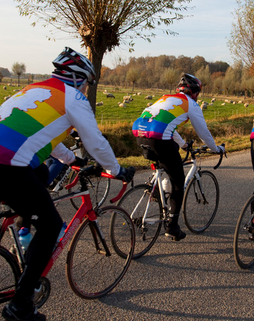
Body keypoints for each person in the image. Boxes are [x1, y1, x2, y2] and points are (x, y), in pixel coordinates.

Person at [0, 47, 135, 321]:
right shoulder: (72, 96)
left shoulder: (37, 88)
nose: (86, 88)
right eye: (86, 82)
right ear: (78, 78)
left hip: (12, 160)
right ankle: (21, 305)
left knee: (38, 177)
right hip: (7, 164)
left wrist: (71, 159)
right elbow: (96, 141)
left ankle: (22, 227)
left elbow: (46, 134)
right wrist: (116, 169)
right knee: (50, 225)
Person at [132, 73, 225, 241]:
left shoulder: (166, 98)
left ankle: (158, 195)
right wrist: (216, 149)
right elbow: (203, 132)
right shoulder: (191, 104)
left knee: (168, 160)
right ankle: (172, 226)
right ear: (195, 93)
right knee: (178, 181)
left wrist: (183, 145)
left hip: (139, 133)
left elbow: (168, 126)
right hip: (159, 139)